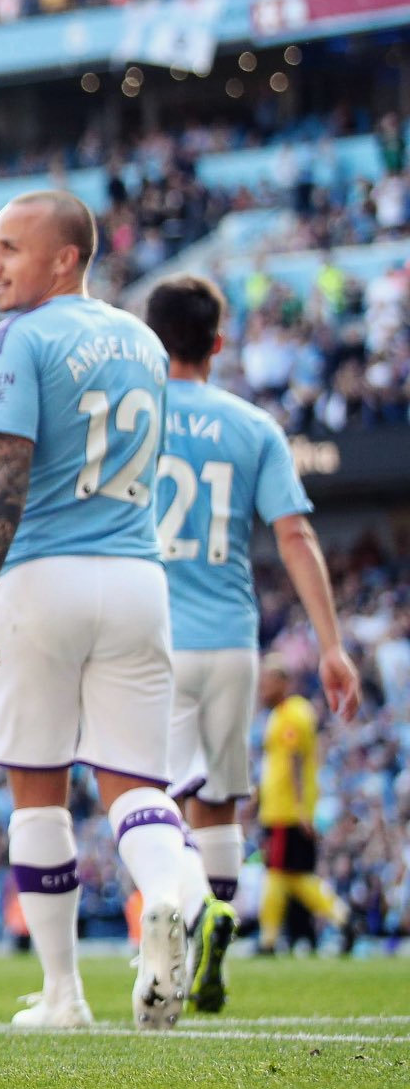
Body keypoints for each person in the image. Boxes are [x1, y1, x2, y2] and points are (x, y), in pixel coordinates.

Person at [0, 191, 203, 1033]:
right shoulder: (143, 339)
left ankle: (63, 995)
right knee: (137, 783)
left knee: (38, 788)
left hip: (43, 575)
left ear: (65, 258)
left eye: (9, 248)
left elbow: (9, 466)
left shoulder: (20, 336)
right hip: (137, 575)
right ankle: (168, 896)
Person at [144, 274, 361, 1004]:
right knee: (220, 803)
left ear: (151, 337)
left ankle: (177, 941)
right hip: (233, 638)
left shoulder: (131, 418)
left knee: (155, 800)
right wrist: (331, 646)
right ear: (219, 341)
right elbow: (295, 534)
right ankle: (217, 935)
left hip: (154, 637)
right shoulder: (253, 427)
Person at [255, 656, 357, 953]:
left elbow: (295, 762)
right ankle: (337, 917)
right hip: (280, 809)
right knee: (291, 876)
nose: (263, 688)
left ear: (284, 682)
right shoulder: (281, 714)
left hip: (287, 812)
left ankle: (270, 939)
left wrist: (301, 809)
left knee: (281, 874)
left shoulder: (292, 714)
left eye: (269, 681)